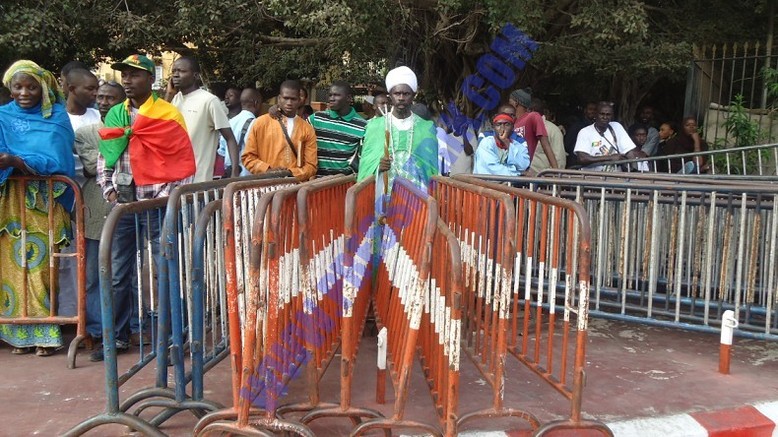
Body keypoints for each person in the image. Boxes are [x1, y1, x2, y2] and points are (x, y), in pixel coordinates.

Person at [94, 54, 196, 361]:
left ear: (151, 79)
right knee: (117, 272)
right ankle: (117, 337)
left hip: (157, 205)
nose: (127, 80)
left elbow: (182, 163)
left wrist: (162, 198)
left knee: (166, 270)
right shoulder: (116, 114)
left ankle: (174, 338)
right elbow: (105, 155)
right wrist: (109, 190)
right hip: (123, 205)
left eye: (135, 74)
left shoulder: (167, 114)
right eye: (124, 74)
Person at [0, 60, 75, 356]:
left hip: (45, 200)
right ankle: (19, 335)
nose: (24, 93)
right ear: (10, 89)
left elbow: (59, 159)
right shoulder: (3, 115)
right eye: (18, 87)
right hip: (11, 202)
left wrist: (18, 161)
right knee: (12, 268)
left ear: (43, 88)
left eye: (31, 87)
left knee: (43, 267)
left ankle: (45, 334)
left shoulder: (56, 116)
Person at [73, 81, 125, 344]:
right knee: (93, 275)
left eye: (110, 98)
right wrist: (122, 150)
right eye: (101, 97)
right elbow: (95, 166)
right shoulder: (85, 133)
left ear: (122, 102)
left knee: (123, 274)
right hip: (94, 209)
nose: (103, 102)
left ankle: (126, 326)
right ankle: (97, 329)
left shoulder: (133, 129)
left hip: (124, 208)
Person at [357, 66, 439, 194]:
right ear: (390, 96)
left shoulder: (426, 128)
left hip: (416, 197)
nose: (401, 97)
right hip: (382, 195)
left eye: (406, 94)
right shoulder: (375, 126)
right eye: (397, 93)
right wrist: (378, 167)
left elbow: (431, 168)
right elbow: (366, 166)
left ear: (413, 96)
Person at [170, 57, 239, 181]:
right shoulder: (175, 99)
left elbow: (230, 138)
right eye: (173, 71)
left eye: (181, 71)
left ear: (196, 75)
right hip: (174, 179)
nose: (175, 75)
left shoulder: (209, 101)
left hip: (198, 180)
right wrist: (169, 95)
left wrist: (234, 173)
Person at [241, 80, 317, 181]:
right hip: (264, 185)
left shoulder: (307, 129)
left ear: (299, 100)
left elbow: (311, 166)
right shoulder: (261, 123)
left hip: (293, 186)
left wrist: (290, 174)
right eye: (286, 98)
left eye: (293, 99)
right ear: (279, 98)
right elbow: (248, 157)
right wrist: (267, 170)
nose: (289, 103)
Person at [309, 81, 367, 176]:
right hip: (316, 181)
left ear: (348, 98)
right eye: (330, 95)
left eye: (336, 95)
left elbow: (363, 156)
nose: (331, 99)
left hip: (343, 182)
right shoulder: (316, 119)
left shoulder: (362, 125)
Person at [574, 101, 646, 172]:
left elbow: (629, 151)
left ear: (612, 116)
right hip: (593, 176)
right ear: (595, 114)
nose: (605, 117)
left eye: (608, 114)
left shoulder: (617, 126)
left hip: (616, 176)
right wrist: (609, 158)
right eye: (602, 114)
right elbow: (582, 159)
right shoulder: (585, 132)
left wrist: (632, 166)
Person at [509, 88, 559, 169]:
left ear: (516, 103)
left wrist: (556, 171)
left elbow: (546, 145)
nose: (508, 104)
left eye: (510, 101)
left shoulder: (533, 117)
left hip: (522, 169)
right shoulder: (510, 122)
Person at [220, 87, 262, 177]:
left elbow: (222, 151)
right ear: (256, 103)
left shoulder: (229, 122)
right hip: (247, 175)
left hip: (229, 175)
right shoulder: (256, 124)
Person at [529, 97, 567, 174]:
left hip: (541, 179)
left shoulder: (553, 130)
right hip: (518, 178)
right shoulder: (519, 128)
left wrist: (551, 178)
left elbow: (560, 160)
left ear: (531, 111)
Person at [564, 101, 597, 167]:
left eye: (595, 110)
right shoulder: (577, 125)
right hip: (576, 161)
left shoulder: (598, 126)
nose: (593, 111)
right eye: (590, 109)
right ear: (585, 110)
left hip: (593, 162)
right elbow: (567, 144)